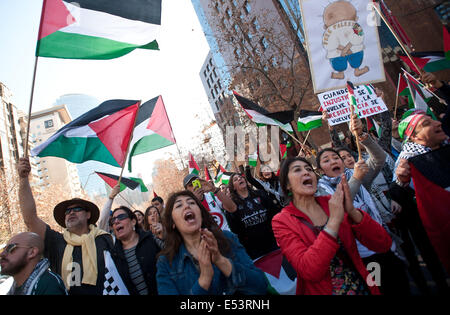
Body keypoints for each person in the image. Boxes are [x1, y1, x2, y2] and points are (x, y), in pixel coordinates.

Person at [316, 115, 411, 295]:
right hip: (363, 256)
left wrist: (362, 137)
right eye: (326, 160)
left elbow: (379, 159)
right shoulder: (321, 190)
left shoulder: (355, 175)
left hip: (383, 242)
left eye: (336, 157)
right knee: (381, 289)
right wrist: (357, 179)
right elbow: (341, 206)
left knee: (401, 285)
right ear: (320, 170)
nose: (333, 161)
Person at [272, 157, 392, 295]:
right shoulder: (281, 222)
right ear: (287, 184)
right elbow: (309, 271)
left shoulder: (331, 203)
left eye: (309, 169)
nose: (306, 173)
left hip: (363, 287)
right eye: (297, 170)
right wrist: (334, 221)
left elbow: (383, 243)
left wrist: (352, 212)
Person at [18, 157, 114, 295]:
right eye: (67, 211)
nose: (71, 213)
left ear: (88, 215)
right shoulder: (56, 242)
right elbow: (30, 219)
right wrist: (23, 179)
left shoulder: (105, 239)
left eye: (77, 209)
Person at [156, 190, 268, 295]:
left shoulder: (228, 239)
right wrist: (204, 279)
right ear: (172, 223)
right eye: (179, 205)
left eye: (192, 202)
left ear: (200, 213)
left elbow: (260, 286)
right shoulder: (165, 262)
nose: (187, 206)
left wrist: (221, 260)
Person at [391, 110, 450, 294]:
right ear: (414, 137)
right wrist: (401, 182)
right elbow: (397, 202)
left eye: (433, 119)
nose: (437, 123)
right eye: (426, 124)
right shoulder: (407, 163)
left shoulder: (444, 148)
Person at [226, 173, 282, 260]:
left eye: (241, 177)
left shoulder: (260, 194)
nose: (240, 179)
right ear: (233, 187)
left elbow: (274, 213)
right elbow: (235, 230)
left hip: (273, 242)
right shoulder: (233, 205)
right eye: (236, 179)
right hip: (254, 250)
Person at [109, 206, 160, 295]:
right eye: (113, 220)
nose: (116, 221)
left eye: (121, 217)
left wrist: (165, 234)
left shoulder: (151, 238)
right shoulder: (113, 256)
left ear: (133, 221)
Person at [0, 232, 67, 295]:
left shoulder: (49, 284)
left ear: (32, 252)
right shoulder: (14, 288)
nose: (2, 254)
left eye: (10, 248)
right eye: (4, 249)